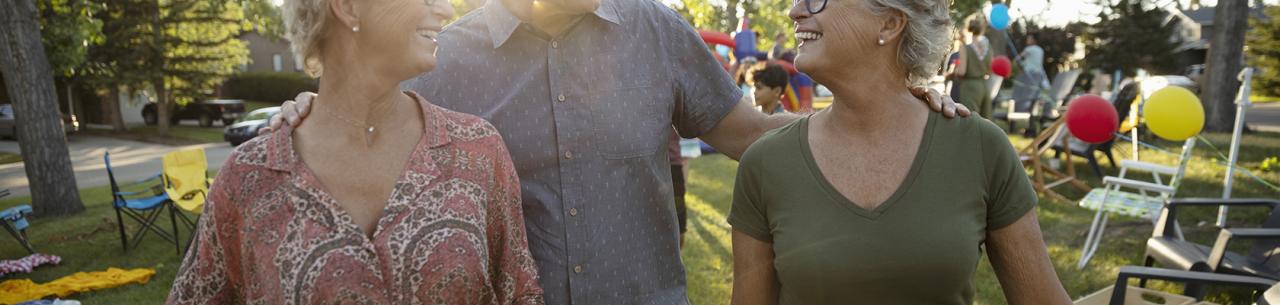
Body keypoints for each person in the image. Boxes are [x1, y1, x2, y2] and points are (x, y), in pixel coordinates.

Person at [265, 0, 970, 302]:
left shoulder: (655, 30)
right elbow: (359, 121)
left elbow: (749, 135)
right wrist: (306, 112)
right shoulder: (444, 56)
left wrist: (887, 111)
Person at [165, 0, 543, 303]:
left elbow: (520, 293)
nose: (446, 8)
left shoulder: (477, 150)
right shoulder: (249, 178)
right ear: (347, 6)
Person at [727, 0, 1071, 304]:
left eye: (818, 0)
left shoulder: (980, 147)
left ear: (890, 23)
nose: (795, 11)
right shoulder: (765, 163)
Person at [954, 15, 993, 118]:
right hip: (984, 85)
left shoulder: (965, 48)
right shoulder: (989, 47)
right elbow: (990, 71)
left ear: (968, 28)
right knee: (986, 119)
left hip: (970, 86)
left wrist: (954, 71)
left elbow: (962, 71)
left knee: (970, 118)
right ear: (982, 29)